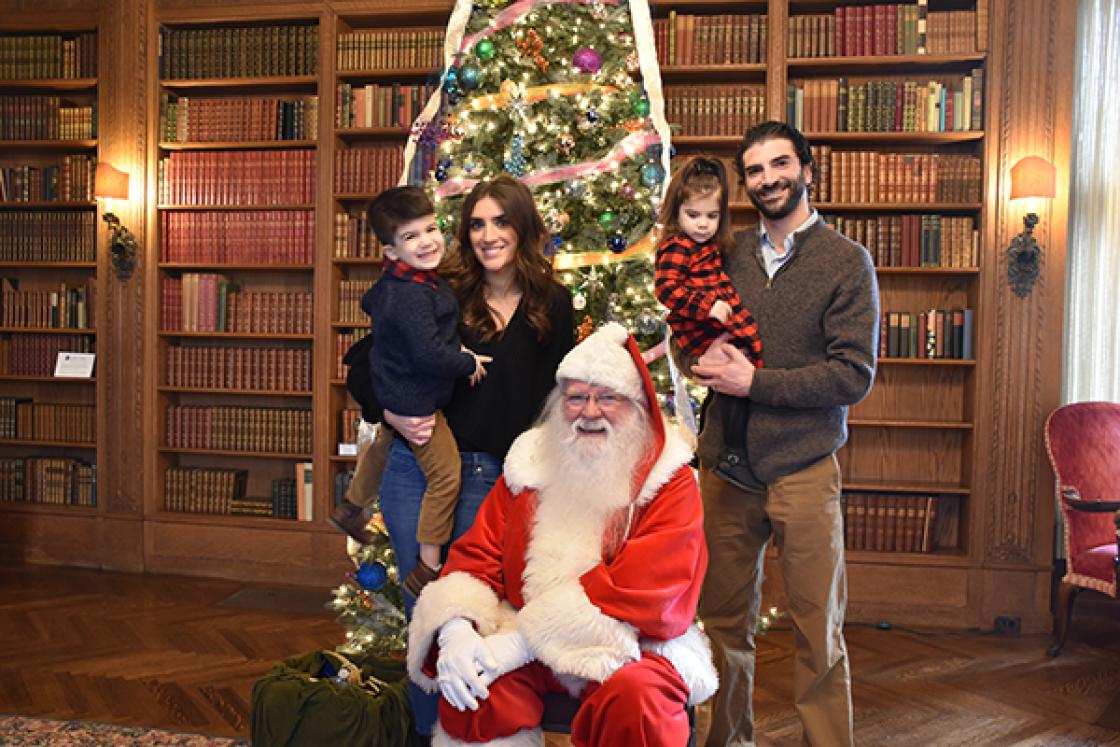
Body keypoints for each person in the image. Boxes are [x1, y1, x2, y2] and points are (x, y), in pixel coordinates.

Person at [407, 322, 718, 747]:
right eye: (576, 398)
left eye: (607, 397)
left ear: (637, 406)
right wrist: (456, 628)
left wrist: (520, 644)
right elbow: (479, 552)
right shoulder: (530, 462)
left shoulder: (668, 478)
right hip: (522, 629)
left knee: (638, 700)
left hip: (632, 643)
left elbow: (652, 593)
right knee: (476, 693)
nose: (590, 412)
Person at [679, 120, 880, 747]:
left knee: (818, 628)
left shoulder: (847, 262)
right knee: (721, 626)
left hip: (803, 468)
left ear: (808, 171)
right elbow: (689, 334)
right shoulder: (726, 253)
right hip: (725, 474)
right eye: (757, 170)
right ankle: (727, 741)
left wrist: (754, 382)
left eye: (780, 164)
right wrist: (698, 362)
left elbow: (852, 375)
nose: (769, 178)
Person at [380, 174, 575, 740]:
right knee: (418, 612)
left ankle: (467, 734)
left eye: (501, 221)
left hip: (492, 478)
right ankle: (425, 733)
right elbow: (370, 360)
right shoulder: (440, 288)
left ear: (523, 227)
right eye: (477, 223)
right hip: (412, 467)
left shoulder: (551, 304)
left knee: (471, 614)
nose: (489, 235)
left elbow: (556, 403)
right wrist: (387, 411)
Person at [329, 186, 489, 597]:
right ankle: (427, 565)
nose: (427, 241)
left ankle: (352, 505)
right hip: (416, 401)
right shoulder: (414, 294)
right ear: (391, 251)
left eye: (431, 229)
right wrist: (467, 362)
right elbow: (428, 352)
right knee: (445, 477)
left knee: (385, 442)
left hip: (400, 392)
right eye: (411, 236)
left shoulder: (406, 283)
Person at [654, 154, 765, 491]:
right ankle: (733, 451)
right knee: (733, 382)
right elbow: (667, 289)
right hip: (698, 327)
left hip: (720, 318)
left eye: (711, 216)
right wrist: (706, 307)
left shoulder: (711, 246)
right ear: (677, 213)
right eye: (693, 215)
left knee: (753, 363)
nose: (702, 224)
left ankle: (747, 443)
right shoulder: (676, 247)